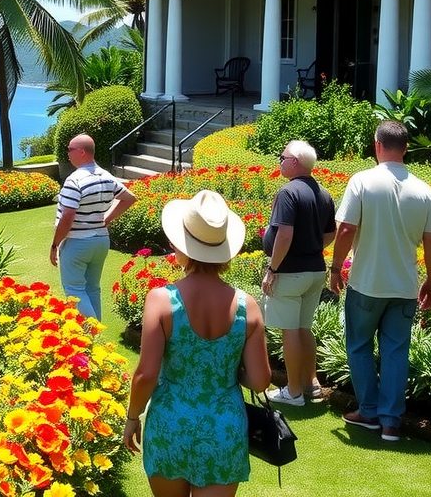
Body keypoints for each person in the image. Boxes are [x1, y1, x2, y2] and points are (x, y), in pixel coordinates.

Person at [123, 190, 271, 497]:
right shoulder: (248, 306)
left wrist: (132, 417)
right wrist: (228, 367)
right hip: (223, 427)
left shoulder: (161, 301)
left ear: (183, 246)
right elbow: (259, 381)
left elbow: (146, 375)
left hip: (171, 423)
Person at [328, 120, 431, 443]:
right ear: (406, 148)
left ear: (377, 145)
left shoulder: (362, 181)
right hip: (404, 286)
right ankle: (391, 422)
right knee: (396, 352)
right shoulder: (423, 189)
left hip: (366, 283)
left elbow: (346, 229)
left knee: (359, 345)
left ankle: (369, 411)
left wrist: (336, 268)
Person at [261, 139, 336, 407]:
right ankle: (310, 383)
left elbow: (285, 233)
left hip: (290, 272)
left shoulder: (288, 193)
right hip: (315, 270)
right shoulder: (324, 193)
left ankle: (293, 392)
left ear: (294, 162)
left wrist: (273, 268)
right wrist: (312, 248)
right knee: (304, 328)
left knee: (290, 330)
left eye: (282, 157)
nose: (280, 161)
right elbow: (330, 234)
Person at [50, 133, 137, 319]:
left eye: (70, 150)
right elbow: (129, 198)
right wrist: (105, 219)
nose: (67, 154)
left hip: (77, 243)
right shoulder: (106, 177)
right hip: (100, 240)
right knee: (92, 288)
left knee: (74, 290)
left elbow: (68, 216)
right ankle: (98, 336)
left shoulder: (74, 180)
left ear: (81, 152)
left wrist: (55, 244)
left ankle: (92, 336)